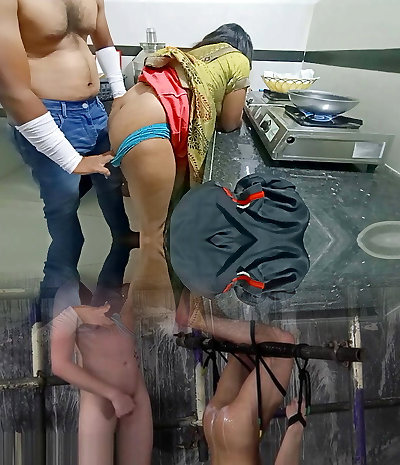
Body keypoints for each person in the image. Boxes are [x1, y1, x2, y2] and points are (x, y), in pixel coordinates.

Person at [0, 0, 133, 307]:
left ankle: (122, 244)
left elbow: (103, 41)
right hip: (48, 115)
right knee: (64, 208)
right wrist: (73, 161)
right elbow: (11, 89)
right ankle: (60, 308)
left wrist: (120, 95)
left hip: (94, 109)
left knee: (111, 182)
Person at [107, 23, 253, 243]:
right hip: (152, 128)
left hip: (121, 113)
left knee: (148, 223)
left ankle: (133, 247)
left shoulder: (194, 54)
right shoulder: (238, 59)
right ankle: (158, 258)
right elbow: (230, 122)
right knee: (155, 234)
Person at [177, 303, 306, 465]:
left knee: (282, 343)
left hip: (237, 428)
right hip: (212, 423)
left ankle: (199, 319)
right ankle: (207, 306)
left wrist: (296, 425)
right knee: (245, 351)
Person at [51, 303, 153, 465]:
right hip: (98, 396)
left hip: (134, 390)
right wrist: (112, 394)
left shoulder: (129, 290)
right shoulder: (69, 297)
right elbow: (59, 365)